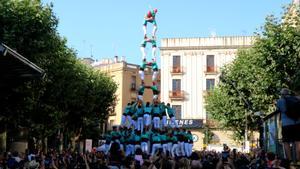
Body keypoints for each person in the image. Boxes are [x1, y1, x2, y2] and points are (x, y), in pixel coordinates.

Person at [276, 88, 300, 162]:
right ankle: (298, 159)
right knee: (297, 141)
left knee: (286, 142)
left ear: (282, 94)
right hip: (297, 123)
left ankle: (289, 159)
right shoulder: (296, 99)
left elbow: (279, 109)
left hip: (286, 124)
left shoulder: (280, 101)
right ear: (289, 93)